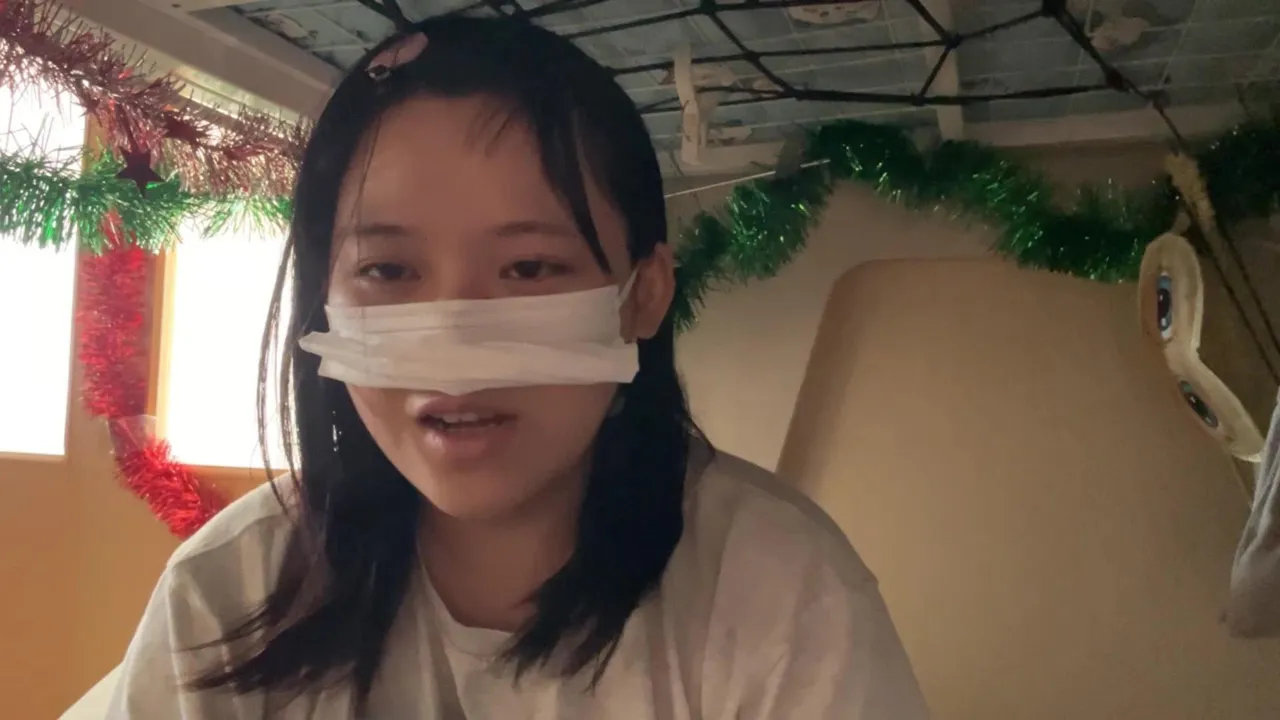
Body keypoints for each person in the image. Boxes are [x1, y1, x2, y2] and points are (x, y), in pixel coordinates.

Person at [106, 15, 929, 719]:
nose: (454, 346)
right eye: (388, 271)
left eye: (530, 269)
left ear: (643, 296)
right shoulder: (227, 595)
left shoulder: (785, 599)